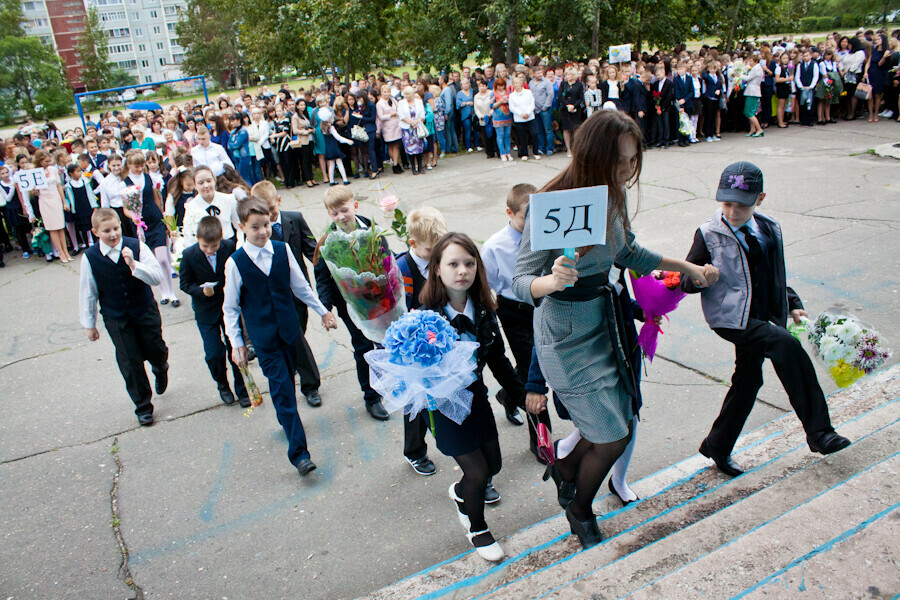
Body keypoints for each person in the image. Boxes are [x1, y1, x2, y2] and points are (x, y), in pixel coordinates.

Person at [512, 110, 716, 549]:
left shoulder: (615, 195)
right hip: (563, 334)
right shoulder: (551, 202)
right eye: (621, 160)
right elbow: (517, 280)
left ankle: (567, 473)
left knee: (619, 420)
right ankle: (579, 507)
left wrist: (686, 267)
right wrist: (550, 281)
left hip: (605, 324)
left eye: (632, 160)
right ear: (594, 155)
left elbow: (630, 253)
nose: (628, 170)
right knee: (612, 433)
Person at [681, 161, 851, 477]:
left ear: (760, 199)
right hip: (731, 318)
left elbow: (773, 274)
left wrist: (791, 303)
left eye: (741, 205)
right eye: (726, 203)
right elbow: (684, 278)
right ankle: (819, 432)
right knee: (784, 344)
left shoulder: (769, 227)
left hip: (759, 313)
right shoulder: (708, 234)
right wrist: (700, 278)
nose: (732, 211)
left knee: (748, 379)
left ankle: (717, 444)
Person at [420, 232, 525, 562]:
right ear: (437, 268)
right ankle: (478, 528)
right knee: (478, 474)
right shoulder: (425, 315)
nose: (462, 270)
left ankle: (461, 494)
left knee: (492, 465)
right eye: (453, 263)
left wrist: (522, 395)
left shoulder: (484, 309)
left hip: (476, 398)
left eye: (469, 262)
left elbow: (498, 359)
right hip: (443, 404)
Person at [224, 195, 339, 476]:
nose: (262, 232)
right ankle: (299, 454)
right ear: (241, 227)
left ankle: (285, 418)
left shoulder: (282, 250)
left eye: (265, 225)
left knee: (288, 380)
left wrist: (323, 312)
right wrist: (237, 343)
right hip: (264, 339)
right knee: (283, 390)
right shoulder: (235, 262)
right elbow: (230, 308)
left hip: (290, 331)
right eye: (255, 227)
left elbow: (301, 288)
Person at [79, 208, 169, 427]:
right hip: (116, 316)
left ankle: (160, 366)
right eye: (106, 231)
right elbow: (87, 291)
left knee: (155, 348)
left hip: (144, 310)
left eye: (116, 228)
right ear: (95, 232)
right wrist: (89, 324)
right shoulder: (90, 257)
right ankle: (143, 406)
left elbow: (157, 277)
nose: (113, 234)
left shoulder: (136, 247)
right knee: (130, 360)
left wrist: (134, 265)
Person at [482, 182, 553, 455]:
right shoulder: (494, 247)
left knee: (540, 367)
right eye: (526, 217)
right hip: (515, 312)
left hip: (546, 305)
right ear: (509, 213)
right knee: (532, 372)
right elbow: (485, 284)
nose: (533, 223)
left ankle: (509, 395)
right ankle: (541, 441)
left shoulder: (547, 236)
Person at [312, 186, 390, 421]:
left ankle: (391, 384)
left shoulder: (372, 228)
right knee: (363, 347)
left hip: (380, 299)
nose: (340, 217)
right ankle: (371, 398)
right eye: (334, 213)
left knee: (386, 343)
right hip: (350, 304)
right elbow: (322, 277)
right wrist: (326, 308)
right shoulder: (327, 240)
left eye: (344, 210)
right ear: (329, 214)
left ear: (355, 206)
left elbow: (388, 258)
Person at [253, 180, 323, 408]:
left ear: (279, 202)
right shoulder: (257, 231)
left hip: (299, 292)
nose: (269, 216)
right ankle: (310, 385)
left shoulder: (295, 218)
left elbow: (313, 252)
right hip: (276, 296)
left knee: (297, 334)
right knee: (296, 339)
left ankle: (294, 371)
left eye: (272, 210)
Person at [395, 206, 448, 476]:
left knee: (443, 394)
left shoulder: (443, 261)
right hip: (411, 347)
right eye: (430, 251)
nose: (436, 256)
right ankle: (414, 451)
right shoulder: (401, 268)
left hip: (441, 341)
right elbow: (394, 311)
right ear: (413, 243)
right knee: (414, 400)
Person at [179, 216, 250, 407]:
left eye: (214, 246)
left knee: (235, 347)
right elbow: (185, 283)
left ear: (220, 238)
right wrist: (200, 291)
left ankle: (242, 389)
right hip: (205, 311)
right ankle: (222, 384)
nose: (210, 250)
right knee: (214, 353)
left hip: (228, 306)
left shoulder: (228, 247)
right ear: (197, 238)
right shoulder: (188, 255)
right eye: (205, 247)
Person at [122, 150, 179, 307]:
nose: (140, 169)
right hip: (141, 223)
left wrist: (164, 218)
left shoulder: (149, 177)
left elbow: (156, 199)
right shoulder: (125, 182)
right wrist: (133, 217)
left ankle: (172, 292)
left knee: (162, 258)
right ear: (129, 165)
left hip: (155, 220)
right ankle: (163, 292)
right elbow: (125, 207)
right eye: (137, 166)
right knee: (152, 260)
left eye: (142, 165)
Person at [182, 166, 241, 248]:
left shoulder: (228, 199)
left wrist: (239, 245)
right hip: (206, 249)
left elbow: (239, 226)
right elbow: (188, 236)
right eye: (200, 183)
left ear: (214, 179)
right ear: (194, 185)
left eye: (209, 181)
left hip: (229, 245)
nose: (206, 185)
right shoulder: (191, 206)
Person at [33, 149, 71, 263]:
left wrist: (64, 202)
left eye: (49, 161)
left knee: (60, 226)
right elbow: (33, 190)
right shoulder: (35, 172)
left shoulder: (53, 169)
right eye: (46, 161)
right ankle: (60, 252)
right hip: (45, 201)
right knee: (52, 228)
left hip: (55, 199)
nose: (48, 163)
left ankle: (66, 250)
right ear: (40, 161)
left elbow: (59, 186)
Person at [64, 163, 98, 249]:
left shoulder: (85, 182)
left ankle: (93, 241)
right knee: (82, 227)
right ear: (71, 173)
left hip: (87, 207)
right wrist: (69, 206)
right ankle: (85, 242)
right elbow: (68, 198)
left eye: (80, 171)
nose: (80, 173)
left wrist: (94, 205)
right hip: (78, 208)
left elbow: (90, 194)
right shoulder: (69, 186)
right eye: (77, 171)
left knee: (90, 224)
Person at [509, 74, 540, 161]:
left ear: (521, 84)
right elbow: (512, 107)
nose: (516, 85)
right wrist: (521, 114)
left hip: (530, 117)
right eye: (514, 83)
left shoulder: (528, 92)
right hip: (519, 118)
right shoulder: (512, 96)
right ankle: (524, 153)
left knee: (534, 134)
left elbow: (532, 103)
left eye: (517, 83)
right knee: (522, 136)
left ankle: (535, 152)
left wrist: (527, 113)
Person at [318, 107, 353, 185]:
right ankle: (345, 179)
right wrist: (347, 141)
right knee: (339, 163)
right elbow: (338, 137)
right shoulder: (331, 127)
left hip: (328, 147)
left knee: (331, 164)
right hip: (334, 146)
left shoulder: (323, 127)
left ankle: (331, 180)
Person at [398, 86, 427, 174]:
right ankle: (413, 168)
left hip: (417, 128)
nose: (406, 96)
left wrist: (416, 121)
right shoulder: (401, 103)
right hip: (407, 129)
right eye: (405, 94)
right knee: (410, 149)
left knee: (419, 148)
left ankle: (420, 167)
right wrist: (410, 122)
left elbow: (422, 114)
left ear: (412, 94)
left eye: (407, 94)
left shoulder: (418, 102)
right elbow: (401, 115)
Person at [558, 67, 585, 157]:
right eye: (567, 74)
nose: (569, 76)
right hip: (565, 110)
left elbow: (581, 98)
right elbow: (560, 97)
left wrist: (574, 106)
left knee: (576, 129)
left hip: (576, 110)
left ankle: (575, 148)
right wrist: (567, 105)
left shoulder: (579, 85)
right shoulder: (563, 84)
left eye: (571, 74)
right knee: (566, 129)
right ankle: (568, 149)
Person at [377, 85, 403, 173]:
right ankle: (395, 163)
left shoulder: (393, 100)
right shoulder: (379, 104)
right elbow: (380, 117)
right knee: (390, 145)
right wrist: (391, 115)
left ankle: (395, 164)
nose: (386, 93)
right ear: (381, 93)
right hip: (387, 127)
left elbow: (399, 109)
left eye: (388, 91)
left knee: (396, 145)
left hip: (396, 126)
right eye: (384, 92)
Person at [530, 66, 555, 156]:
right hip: (535, 110)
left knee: (548, 129)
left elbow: (550, 94)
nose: (540, 74)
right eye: (538, 73)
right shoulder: (531, 83)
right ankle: (541, 148)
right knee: (539, 130)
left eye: (541, 72)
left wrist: (545, 106)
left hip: (545, 109)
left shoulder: (546, 82)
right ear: (533, 74)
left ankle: (550, 148)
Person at [793, 48, 819, 127]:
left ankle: (810, 120)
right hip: (803, 87)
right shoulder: (800, 65)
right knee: (802, 103)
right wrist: (801, 86)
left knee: (810, 104)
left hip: (810, 87)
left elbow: (815, 76)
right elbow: (797, 77)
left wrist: (811, 86)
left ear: (811, 56)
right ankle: (803, 120)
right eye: (803, 56)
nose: (805, 58)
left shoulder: (814, 64)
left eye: (806, 56)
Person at [227, 113, 254, 185]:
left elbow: (237, 145)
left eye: (233, 121)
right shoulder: (232, 132)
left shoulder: (243, 131)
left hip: (244, 156)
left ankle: (250, 192)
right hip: (236, 156)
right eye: (230, 121)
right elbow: (229, 145)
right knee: (239, 178)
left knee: (244, 177)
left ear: (239, 120)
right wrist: (233, 144)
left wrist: (233, 144)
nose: (231, 123)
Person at [652, 64, 675, 149]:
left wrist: (663, 106)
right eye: (656, 75)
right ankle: (660, 139)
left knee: (666, 123)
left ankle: (667, 140)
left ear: (663, 73)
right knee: (660, 124)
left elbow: (669, 96)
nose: (658, 77)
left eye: (659, 75)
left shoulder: (669, 83)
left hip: (666, 107)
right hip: (658, 106)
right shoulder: (655, 83)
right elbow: (654, 94)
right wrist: (657, 105)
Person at [742, 55, 765, 137]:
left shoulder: (757, 69)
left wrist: (739, 75)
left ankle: (759, 129)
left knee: (749, 112)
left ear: (755, 61)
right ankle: (753, 129)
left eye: (751, 61)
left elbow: (748, 78)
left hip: (753, 92)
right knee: (750, 112)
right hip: (751, 91)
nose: (749, 63)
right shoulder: (755, 68)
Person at [491, 77, 513, 162]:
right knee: (500, 135)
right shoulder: (493, 93)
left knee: (507, 135)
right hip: (498, 117)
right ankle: (502, 153)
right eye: (499, 86)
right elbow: (491, 106)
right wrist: (500, 101)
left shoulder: (508, 92)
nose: (501, 88)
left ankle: (508, 152)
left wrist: (508, 100)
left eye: (502, 86)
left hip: (508, 117)